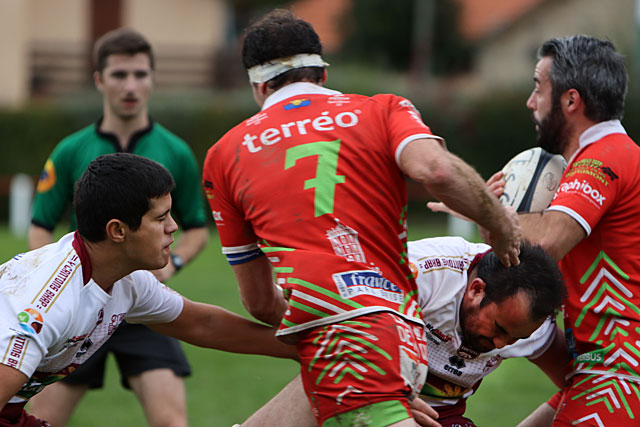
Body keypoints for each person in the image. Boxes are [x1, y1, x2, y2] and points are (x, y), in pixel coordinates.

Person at [203, 9, 521, 426]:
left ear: (258, 87)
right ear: (323, 74)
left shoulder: (224, 155)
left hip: (342, 340)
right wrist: (500, 223)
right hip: (402, 334)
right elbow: (438, 170)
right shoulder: (384, 109)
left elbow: (260, 303)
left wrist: (326, 319)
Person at [0, 153, 296, 426]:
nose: (174, 227)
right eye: (160, 218)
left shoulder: (127, 279)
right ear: (118, 231)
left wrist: (307, 347)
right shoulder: (44, 308)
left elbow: (202, 325)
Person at [433, 35, 639, 426]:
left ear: (571, 101)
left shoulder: (606, 156)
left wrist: (483, 208)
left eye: (537, 87)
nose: (531, 102)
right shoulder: (608, 156)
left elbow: (544, 243)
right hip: (599, 369)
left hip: (618, 374)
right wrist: (488, 217)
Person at [26, 28, 208, 427]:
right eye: (119, 74)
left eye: (140, 74)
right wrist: (58, 285)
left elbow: (197, 227)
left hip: (145, 306)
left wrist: (171, 264)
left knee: (173, 422)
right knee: (40, 420)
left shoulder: (176, 151)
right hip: (80, 309)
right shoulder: (71, 150)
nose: (131, 86)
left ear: (153, 79)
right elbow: (40, 227)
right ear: (99, 80)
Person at [234, 238, 568, 427]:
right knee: (327, 379)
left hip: (439, 416)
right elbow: (331, 333)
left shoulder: (532, 327)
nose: (500, 345)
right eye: (499, 329)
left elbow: (576, 385)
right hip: (368, 390)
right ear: (476, 290)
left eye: (515, 339)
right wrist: (391, 394)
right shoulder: (419, 275)